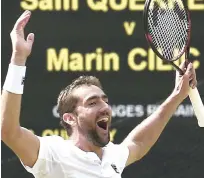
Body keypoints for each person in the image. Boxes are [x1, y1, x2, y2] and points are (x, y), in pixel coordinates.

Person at [1, 10, 197, 178]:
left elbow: (138, 142)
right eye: (92, 102)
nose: (105, 107)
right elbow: (8, 131)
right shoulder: (53, 153)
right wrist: (18, 59)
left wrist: (177, 96)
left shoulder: (111, 156)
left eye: (105, 100)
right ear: (70, 118)